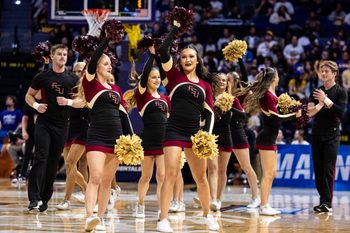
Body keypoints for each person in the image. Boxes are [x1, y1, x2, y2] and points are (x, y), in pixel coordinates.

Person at [156, 20, 219, 232]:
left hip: (195, 135)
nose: (187, 59)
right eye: (183, 57)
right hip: (173, 130)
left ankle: (207, 215)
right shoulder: (173, 77)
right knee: (170, 174)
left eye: (191, 56)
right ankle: (163, 219)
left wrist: (206, 137)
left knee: (201, 178)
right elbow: (163, 49)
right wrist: (176, 28)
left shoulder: (205, 85)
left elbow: (209, 114)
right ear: (180, 61)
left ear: (197, 60)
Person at [80, 37, 133, 232]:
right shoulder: (91, 84)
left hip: (116, 138)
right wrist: (105, 40)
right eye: (105, 63)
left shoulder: (117, 90)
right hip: (97, 135)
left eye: (110, 64)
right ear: (97, 67)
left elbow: (124, 116)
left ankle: (100, 218)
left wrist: (131, 138)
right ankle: (89, 217)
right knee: (95, 177)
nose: (109, 66)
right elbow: (93, 60)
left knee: (106, 183)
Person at [25, 44, 84, 213]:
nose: (62, 57)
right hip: (44, 123)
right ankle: (34, 197)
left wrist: (69, 102)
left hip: (62, 125)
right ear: (52, 56)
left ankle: (45, 198)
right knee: (40, 157)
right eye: (59, 54)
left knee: (52, 162)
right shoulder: (42, 77)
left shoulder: (73, 79)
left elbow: (83, 101)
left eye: (65, 54)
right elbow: (28, 95)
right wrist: (36, 105)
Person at [241, 67, 301, 215]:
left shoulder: (272, 94)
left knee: (272, 173)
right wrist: (294, 115)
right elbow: (274, 119)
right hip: (266, 137)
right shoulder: (267, 95)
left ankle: (265, 203)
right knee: (267, 173)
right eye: (278, 75)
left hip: (270, 137)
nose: (279, 77)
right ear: (274, 78)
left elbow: (276, 117)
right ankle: (264, 205)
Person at [131, 46, 169, 218]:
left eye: (159, 77)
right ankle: (140, 204)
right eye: (153, 77)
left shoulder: (165, 99)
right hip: (147, 140)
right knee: (146, 177)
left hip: (164, 142)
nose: (157, 80)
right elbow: (145, 74)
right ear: (147, 80)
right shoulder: (142, 96)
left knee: (162, 177)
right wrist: (153, 56)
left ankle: (163, 207)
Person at [307, 60, 347, 212]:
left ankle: (326, 202)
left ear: (334, 74)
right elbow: (309, 113)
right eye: (322, 71)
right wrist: (320, 103)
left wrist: (326, 100)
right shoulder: (316, 91)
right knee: (318, 169)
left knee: (328, 169)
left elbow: (341, 112)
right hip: (317, 134)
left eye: (326, 71)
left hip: (332, 134)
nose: (323, 73)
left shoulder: (341, 91)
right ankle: (322, 199)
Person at [56, 62, 89, 210]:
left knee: (70, 163)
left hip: (82, 128)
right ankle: (74, 197)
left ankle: (79, 194)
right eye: (75, 70)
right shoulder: (68, 87)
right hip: (68, 128)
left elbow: (82, 103)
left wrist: (68, 102)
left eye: (80, 71)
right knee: (70, 166)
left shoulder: (88, 87)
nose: (77, 73)